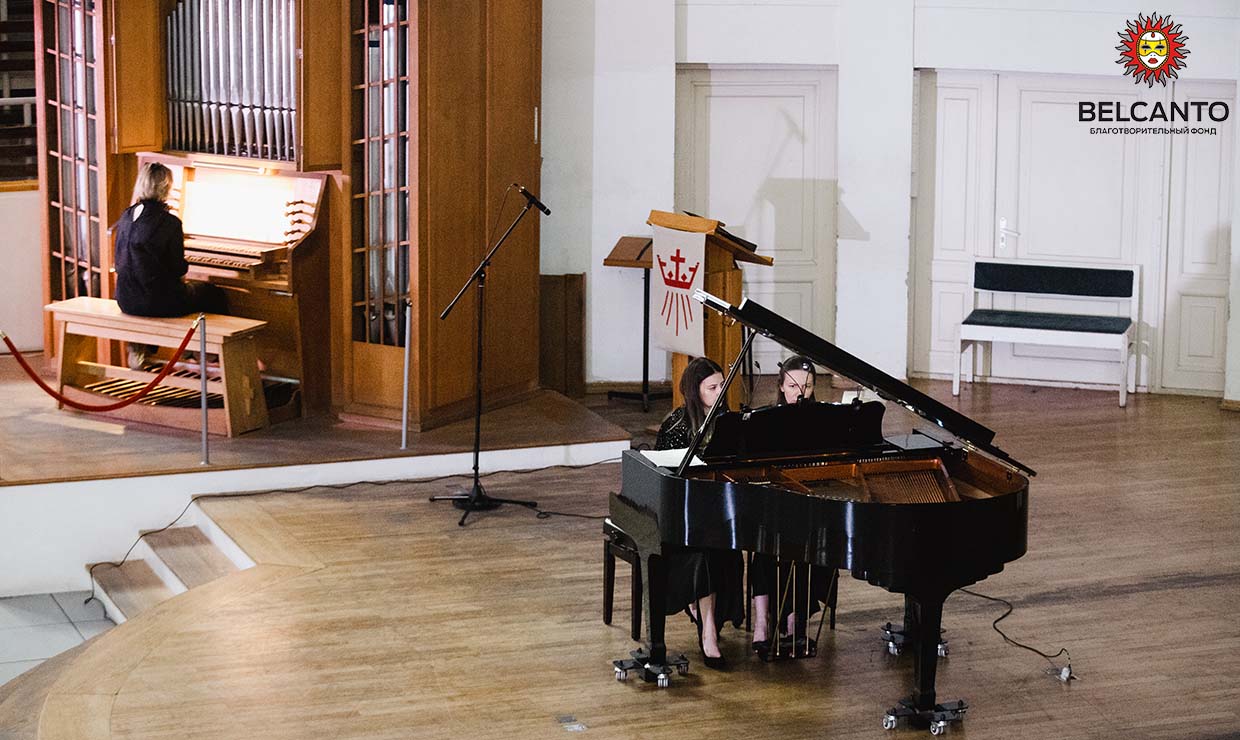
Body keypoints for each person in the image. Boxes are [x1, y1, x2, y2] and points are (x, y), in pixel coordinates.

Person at [653, 356, 745, 668]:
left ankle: (709, 619)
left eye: (721, 386)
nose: (719, 393)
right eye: (712, 388)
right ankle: (708, 634)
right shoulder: (676, 426)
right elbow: (665, 479)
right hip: (681, 516)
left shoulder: (727, 422)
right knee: (707, 551)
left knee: (729, 543)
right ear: (696, 391)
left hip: (716, 510)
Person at [750, 354, 833, 658]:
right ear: (782, 386)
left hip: (808, 501)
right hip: (772, 501)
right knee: (763, 544)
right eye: (794, 386)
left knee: (815, 544)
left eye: (807, 387)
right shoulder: (766, 421)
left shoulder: (824, 422)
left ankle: (795, 618)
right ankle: (762, 620)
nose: (800, 393)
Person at [114, 162, 226, 368]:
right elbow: (178, 269)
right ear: (166, 188)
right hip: (159, 303)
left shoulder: (126, 216)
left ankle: (143, 347)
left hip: (126, 299)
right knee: (214, 294)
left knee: (177, 292)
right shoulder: (169, 223)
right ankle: (204, 354)